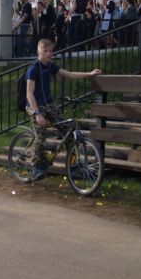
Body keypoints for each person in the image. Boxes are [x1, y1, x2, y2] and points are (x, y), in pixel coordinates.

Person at [25, 38, 103, 180]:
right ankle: (36, 167)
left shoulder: (50, 66)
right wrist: (37, 114)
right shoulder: (33, 69)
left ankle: (72, 163)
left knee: (68, 130)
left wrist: (89, 74)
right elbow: (29, 93)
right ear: (38, 52)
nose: (49, 54)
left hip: (48, 104)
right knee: (41, 135)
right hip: (34, 105)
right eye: (45, 51)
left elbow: (70, 75)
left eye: (51, 51)